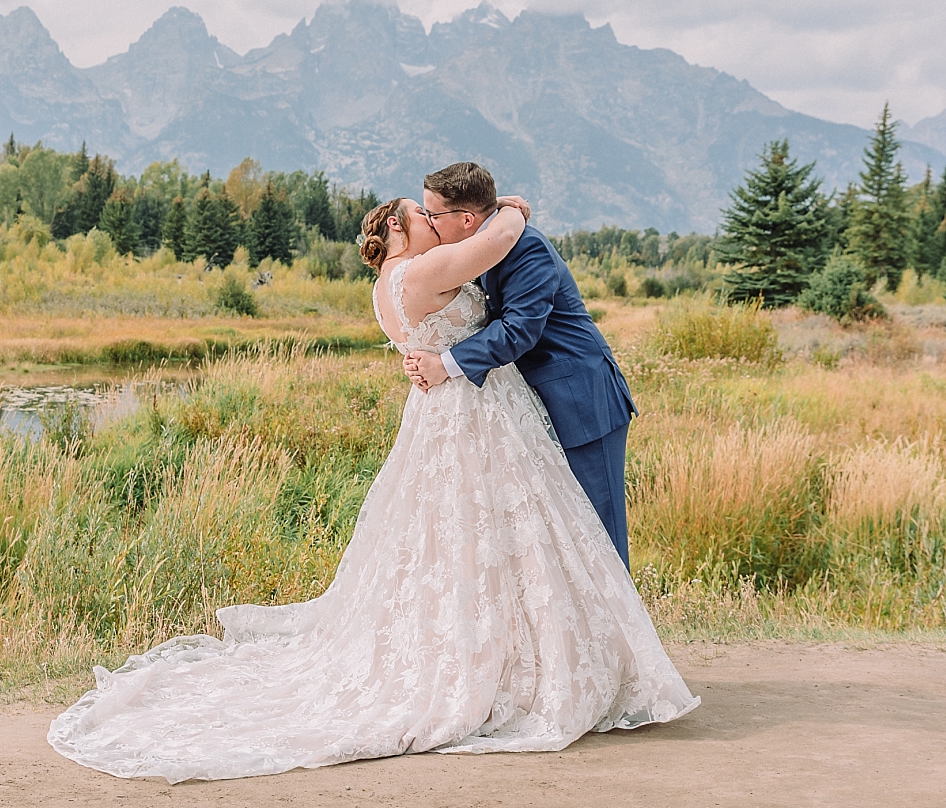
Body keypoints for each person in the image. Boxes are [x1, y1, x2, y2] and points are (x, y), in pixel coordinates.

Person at [49, 193, 697, 783]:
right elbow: (493, 245)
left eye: (439, 214)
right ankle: (525, 667)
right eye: (423, 215)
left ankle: (526, 656)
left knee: (463, 548)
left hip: (451, 416)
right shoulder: (417, 273)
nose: (434, 225)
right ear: (396, 227)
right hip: (470, 415)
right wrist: (515, 208)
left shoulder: (387, 286)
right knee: (487, 542)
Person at [404, 162, 637, 566]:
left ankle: (620, 630)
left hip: (581, 398)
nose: (428, 222)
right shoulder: (479, 246)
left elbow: (518, 330)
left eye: (432, 214)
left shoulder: (528, 249)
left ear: (465, 219)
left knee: (598, 530)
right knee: (559, 534)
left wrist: (445, 363)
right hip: (532, 406)